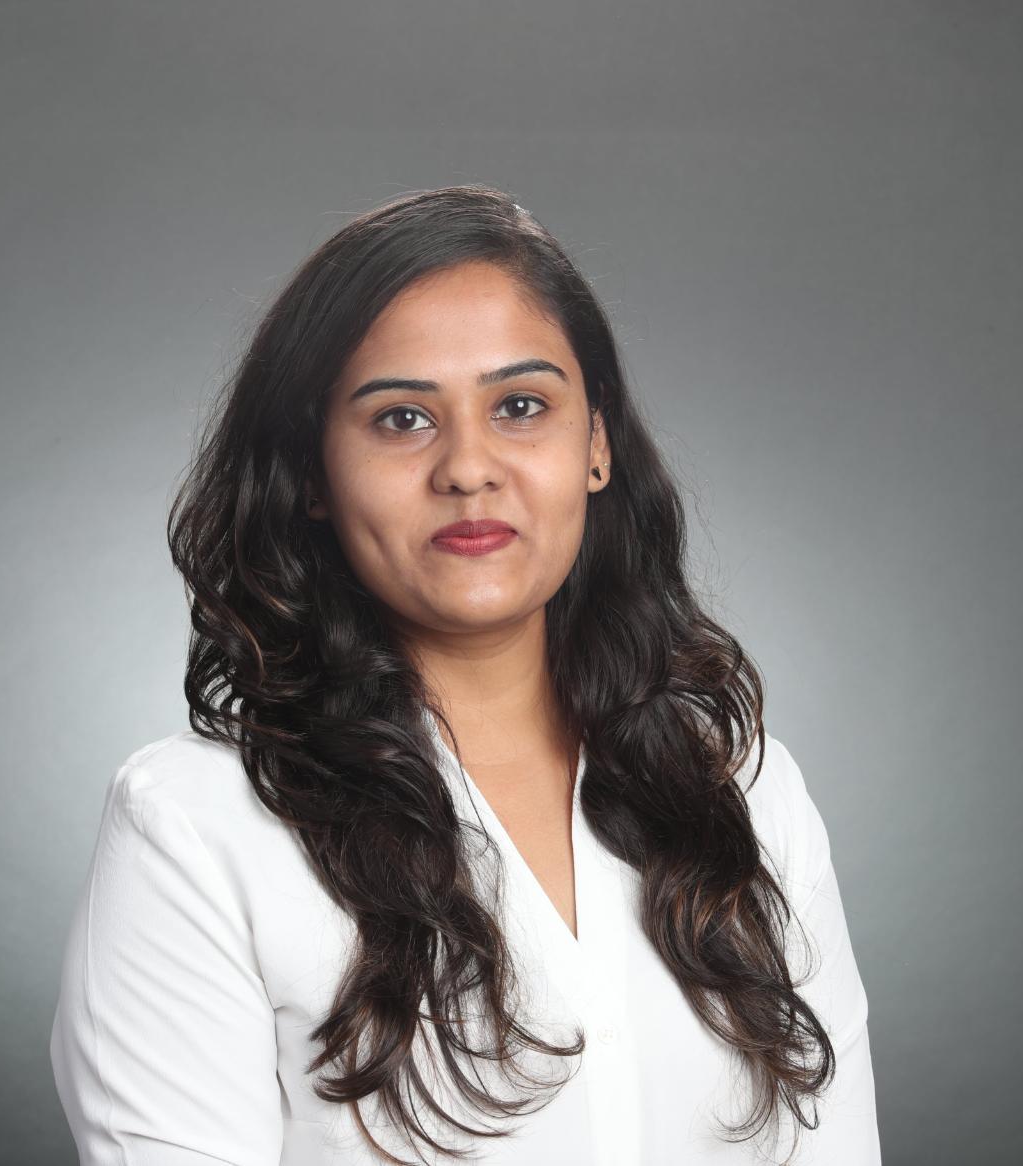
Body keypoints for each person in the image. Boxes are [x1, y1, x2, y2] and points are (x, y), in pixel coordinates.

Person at [50, 184, 881, 1165]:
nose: (468, 467)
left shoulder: (744, 792)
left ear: (596, 444)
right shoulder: (194, 827)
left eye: (520, 406)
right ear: (312, 474)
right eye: (401, 418)